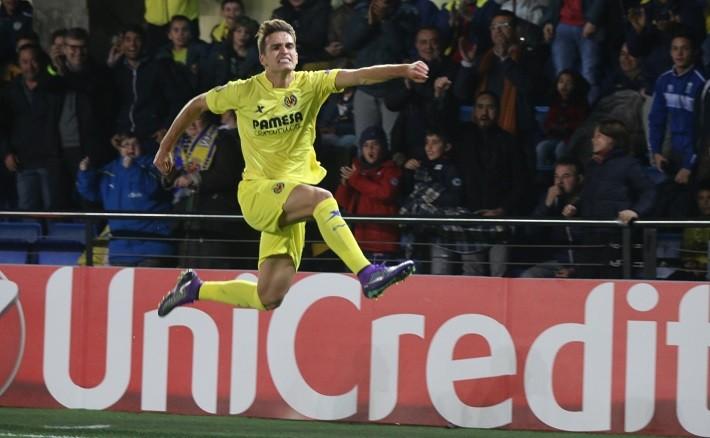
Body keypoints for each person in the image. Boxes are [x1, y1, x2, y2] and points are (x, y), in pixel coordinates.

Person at [154, 19, 423, 316]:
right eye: (276, 47)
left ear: (296, 54)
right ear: (263, 58)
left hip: (290, 200)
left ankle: (194, 288)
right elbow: (196, 104)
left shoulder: (311, 84)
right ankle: (368, 273)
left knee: (268, 297)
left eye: (289, 46)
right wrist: (165, 148)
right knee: (322, 200)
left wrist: (404, 69)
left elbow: (360, 75)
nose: (284, 51)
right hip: (259, 194)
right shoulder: (244, 91)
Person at [76, 133, 176, 267]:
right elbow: (91, 194)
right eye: (126, 145)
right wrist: (85, 173)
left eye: (135, 144)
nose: (130, 148)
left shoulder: (154, 166)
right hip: (120, 250)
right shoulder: (110, 171)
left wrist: (132, 169)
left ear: (142, 146)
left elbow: (152, 190)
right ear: (119, 149)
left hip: (152, 249)